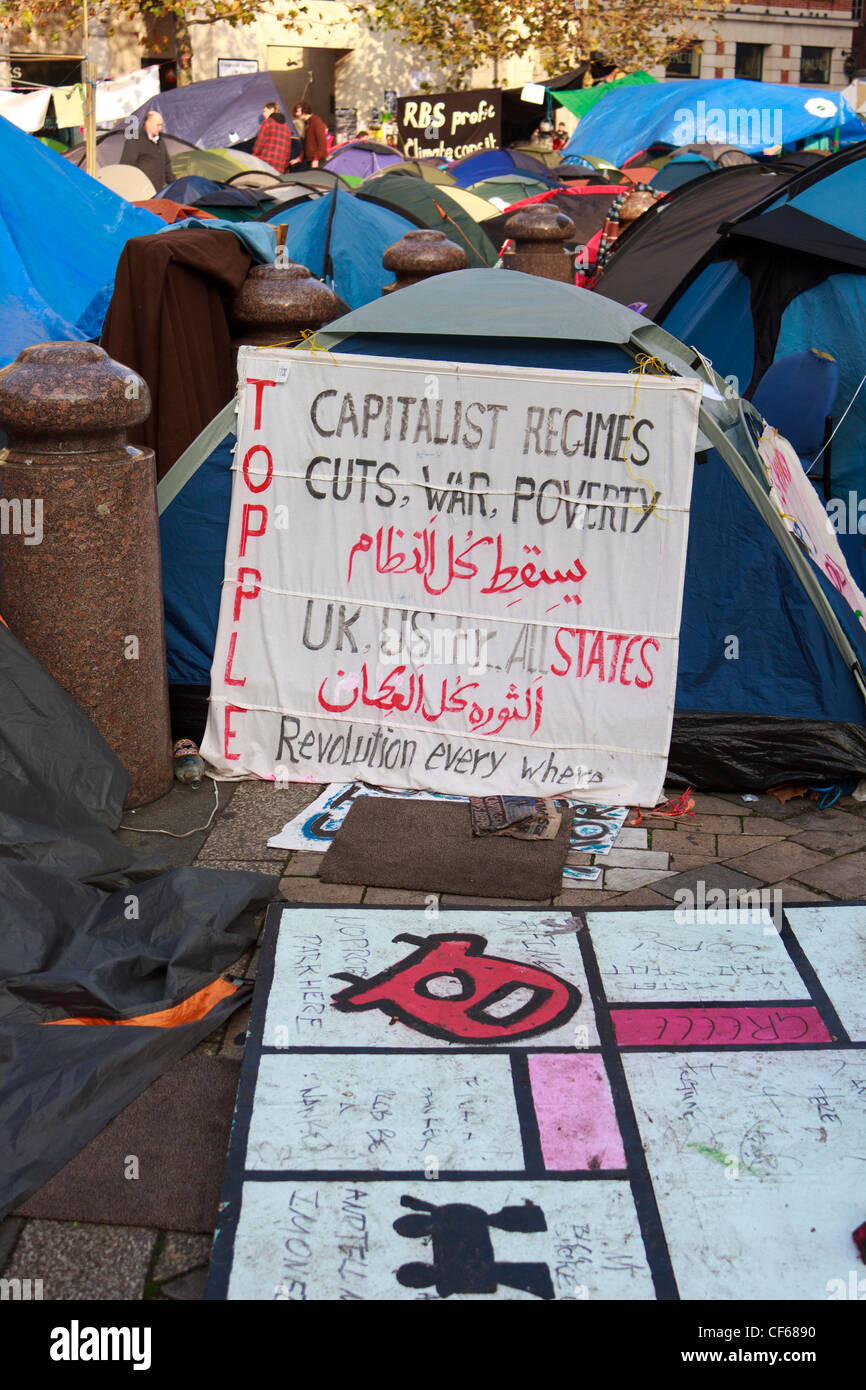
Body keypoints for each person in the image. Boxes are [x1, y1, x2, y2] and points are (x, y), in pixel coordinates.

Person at [120, 109, 172, 190]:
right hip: (140, 192)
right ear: (148, 123)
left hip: (157, 192)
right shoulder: (135, 141)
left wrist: (175, 185)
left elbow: (167, 168)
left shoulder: (161, 142)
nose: (160, 128)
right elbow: (126, 168)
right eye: (158, 125)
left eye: (161, 125)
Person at [252, 101, 293, 174]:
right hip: (279, 167)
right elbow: (288, 151)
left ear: (272, 110)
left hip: (265, 164)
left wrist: (253, 157)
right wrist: (284, 165)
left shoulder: (267, 123)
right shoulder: (286, 128)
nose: (263, 114)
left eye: (265, 111)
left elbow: (259, 145)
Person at [290, 100, 329, 170]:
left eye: (297, 111)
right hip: (310, 162)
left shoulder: (316, 121)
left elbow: (322, 143)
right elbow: (307, 145)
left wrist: (316, 159)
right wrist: (298, 159)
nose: (296, 114)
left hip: (317, 162)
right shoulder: (307, 124)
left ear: (304, 111)